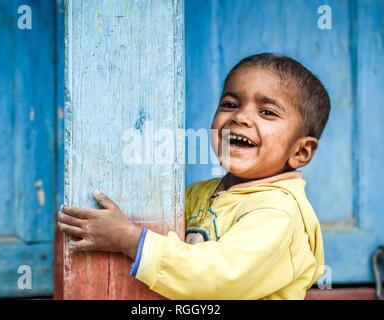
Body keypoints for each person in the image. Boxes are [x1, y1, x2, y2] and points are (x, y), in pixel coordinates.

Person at [57, 53, 330, 299]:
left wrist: (127, 239)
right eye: (230, 104)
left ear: (301, 151)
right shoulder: (201, 193)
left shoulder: (278, 212)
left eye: (267, 112)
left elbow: (216, 277)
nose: (241, 117)